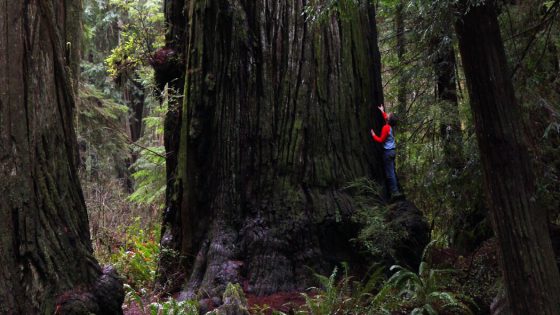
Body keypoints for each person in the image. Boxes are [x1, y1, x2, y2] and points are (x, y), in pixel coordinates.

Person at [370, 104, 401, 197]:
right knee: (391, 171)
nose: (387, 114)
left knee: (390, 173)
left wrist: (373, 135)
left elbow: (380, 140)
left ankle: (395, 192)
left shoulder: (386, 128)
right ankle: (395, 191)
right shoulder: (390, 126)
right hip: (392, 151)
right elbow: (386, 119)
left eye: (389, 114)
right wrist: (382, 111)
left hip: (388, 153)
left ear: (388, 119)